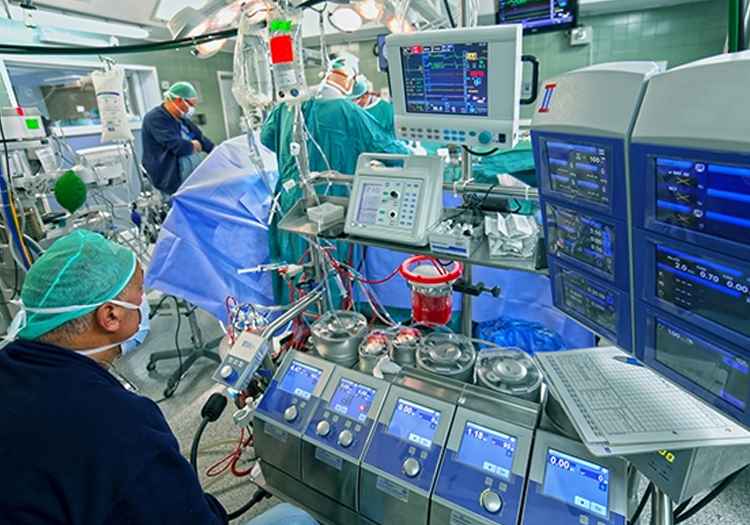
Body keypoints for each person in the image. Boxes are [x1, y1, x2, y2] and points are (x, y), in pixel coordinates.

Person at [0, 229, 317, 525]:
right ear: (111, 315)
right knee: (298, 517)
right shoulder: (118, 424)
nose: (144, 303)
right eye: (140, 292)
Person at [261, 52, 409, 302]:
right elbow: (395, 154)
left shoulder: (288, 105)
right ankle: (332, 330)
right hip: (330, 206)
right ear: (350, 81)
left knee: (295, 272)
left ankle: (297, 331)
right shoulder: (347, 109)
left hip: (288, 203)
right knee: (329, 273)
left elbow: (267, 138)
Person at [142, 81, 215, 195]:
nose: (192, 108)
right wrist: (193, 145)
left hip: (189, 180)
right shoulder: (155, 119)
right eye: (191, 105)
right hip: (168, 181)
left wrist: (217, 150)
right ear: (179, 100)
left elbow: (201, 139)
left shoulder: (182, 119)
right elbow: (177, 146)